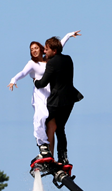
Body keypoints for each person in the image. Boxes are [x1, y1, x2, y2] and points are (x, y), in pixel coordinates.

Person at [8, 31, 81, 161]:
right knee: (41, 117)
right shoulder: (32, 63)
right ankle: (43, 147)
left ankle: (52, 155)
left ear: (43, 49)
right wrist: (14, 80)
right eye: (31, 49)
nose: (34, 51)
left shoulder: (49, 60)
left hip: (51, 93)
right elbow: (23, 72)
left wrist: (68, 35)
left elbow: (59, 46)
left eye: (37, 48)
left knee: (54, 126)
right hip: (40, 93)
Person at [34, 36, 83, 166]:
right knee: (60, 128)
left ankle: (45, 152)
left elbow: (44, 82)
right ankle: (63, 157)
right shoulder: (68, 59)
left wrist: (35, 81)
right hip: (70, 99)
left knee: (43, 122)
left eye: (47, 49)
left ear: (54, 50)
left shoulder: (52, 62)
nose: (44, 51)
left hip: (57, 101)